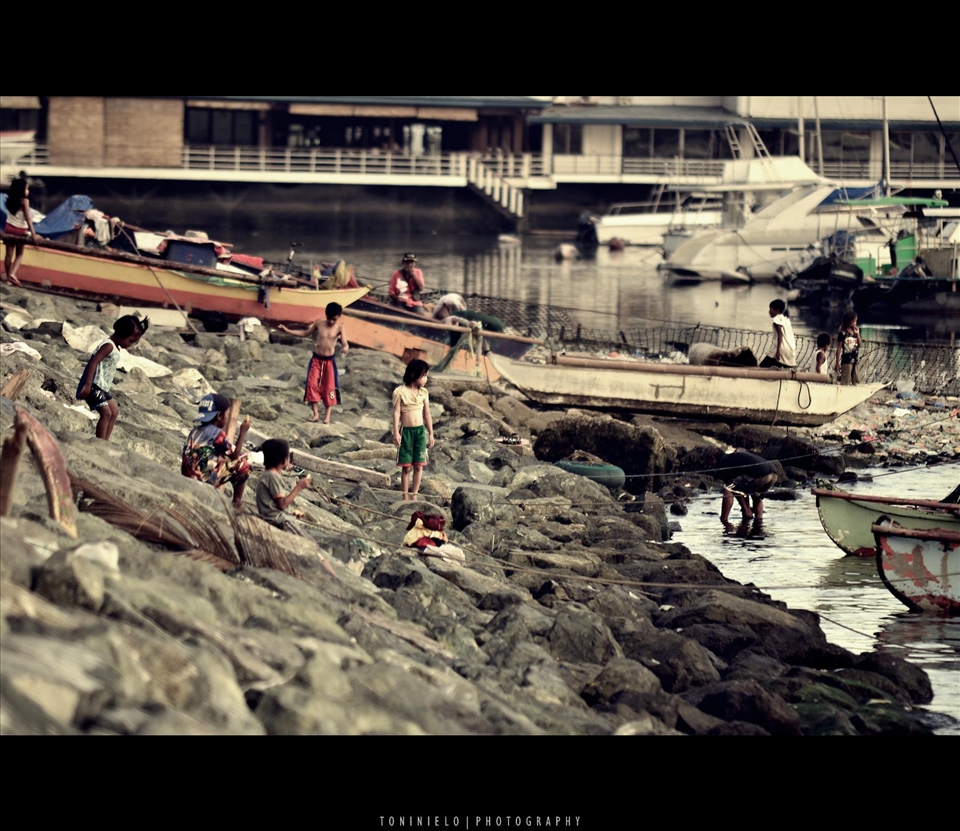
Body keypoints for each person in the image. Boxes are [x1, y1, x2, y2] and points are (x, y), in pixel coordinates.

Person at [255, 437, 337, 579]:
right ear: (283, 460)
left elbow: (275, 504)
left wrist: (293, 513)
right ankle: (333, 578)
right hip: (278, 521)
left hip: (276, 517)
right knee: (312, 547)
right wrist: (299, 487)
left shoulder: (269, 475)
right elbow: (282, 505)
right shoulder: (272, 477)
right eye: (288, 457)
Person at [75, 314, 149, 440]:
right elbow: (93, 362)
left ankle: (105, 440)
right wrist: (87, 385)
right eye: (130, 341)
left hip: (102, 387)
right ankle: (100, 441)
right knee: (106, 413)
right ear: (121, 333)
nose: (131, 345)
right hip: (94, 386)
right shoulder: (108, 346)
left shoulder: (114, 347)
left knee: (114, 412)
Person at [279, 302, 349, 424]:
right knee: (311, 384)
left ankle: (327, 416)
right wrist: (287, 330)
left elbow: (344, 342)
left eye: (334, 319)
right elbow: (305, 333)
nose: (331, 322)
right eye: (329, 318)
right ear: (325, 314)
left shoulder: (339, 328)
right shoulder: (319, 323)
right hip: (316, 359)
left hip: (329, 361)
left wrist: (345, 347)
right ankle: (315, 414)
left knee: (329, 388)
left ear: (339, 317)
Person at [181, 392, 252, 510]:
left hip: (188, 475)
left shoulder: (195, 431)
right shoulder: (217, 433)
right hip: (203, 480)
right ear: (219, 415)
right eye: (228, 414)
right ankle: (237, 502)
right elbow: (234, 455)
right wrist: (243, 431)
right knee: (243, 464)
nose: (229, 417)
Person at [392, 358, 434, 501]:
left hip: (420, 432)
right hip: (406, 433)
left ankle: (414, 495)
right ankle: (405, 495)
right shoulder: (400, 392)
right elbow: (397, 412)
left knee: (418, 466)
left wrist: (431, 433)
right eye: (424, 375)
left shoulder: (424, 393)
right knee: (406, 467)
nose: (426, 379)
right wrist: (395, 432)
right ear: (414, 375)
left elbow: (427, 414)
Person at [710, 449, 779, 529]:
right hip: (773, 474)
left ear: (712, 458)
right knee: (757, 496)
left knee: (729, 488)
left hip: (760, 475)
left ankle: (725, 520)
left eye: (708, 461)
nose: (709, 464)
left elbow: (732, 487)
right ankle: (759, 523)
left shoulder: (721, 463)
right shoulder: (731, 457)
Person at [2, 173, 44, 286]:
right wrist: (34, 234)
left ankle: (7, 278)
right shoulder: (25, 201)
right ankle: (13, 274)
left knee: (8, 255)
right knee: (19, 254)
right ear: (22, 190)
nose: (28, 191)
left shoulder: (9, 200)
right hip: (20, 231)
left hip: (9, 228)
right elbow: (28, 219)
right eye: (27, 189)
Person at [759, 299, 797, 369]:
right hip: (790, 348)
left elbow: (780, 334)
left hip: (781, 348)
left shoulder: (777, 320)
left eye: (771, 309)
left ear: (776, 310)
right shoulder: (786, 320)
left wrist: (778, 351)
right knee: (784, 366)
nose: (769, 312)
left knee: (762, 366)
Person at [835, 310, 861, 385]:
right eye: (853, 321)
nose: (855, 323)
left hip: (855, 360)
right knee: (845, 380)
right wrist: (837, 363)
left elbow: (860, 344)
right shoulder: (843, 333)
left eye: (856, 321)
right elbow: (839, 348)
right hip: (846, 360)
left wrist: (858, 334)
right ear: (848, 321)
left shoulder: (855, 332)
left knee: (856, 381)